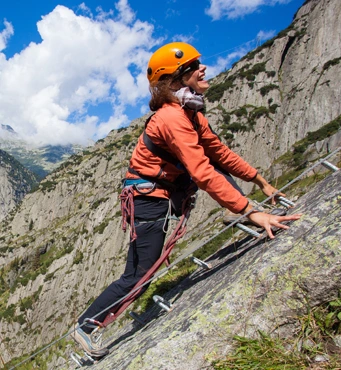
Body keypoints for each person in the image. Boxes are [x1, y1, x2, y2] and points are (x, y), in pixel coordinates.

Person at [71, 42, 301, 357]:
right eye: (193, 66)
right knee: (139, 275)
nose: (202, 68)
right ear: (176, 79)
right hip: (149, 199)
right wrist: (252, 212)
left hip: (155, 193)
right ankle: (86, 326)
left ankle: (237, 213)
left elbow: (220, 154)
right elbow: (203, 172)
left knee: (138, 272)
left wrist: (261, 181)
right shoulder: (172, 119)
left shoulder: (191, 114)